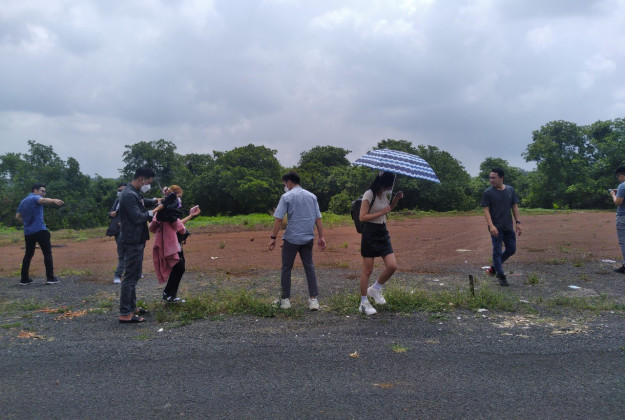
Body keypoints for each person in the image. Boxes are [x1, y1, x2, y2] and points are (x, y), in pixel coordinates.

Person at [269, 171, 326, 310]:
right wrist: (321, 237)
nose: (285, 186)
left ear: (289, 182)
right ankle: (313, 300)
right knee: (309, 267)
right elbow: (318, 218)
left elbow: (278, 219)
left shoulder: (286, 197)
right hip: (308, 238)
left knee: (286, 268)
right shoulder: (312, 196)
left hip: (292, 239)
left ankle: (285, 300)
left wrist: (273, 237)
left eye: (285, 183)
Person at [117, 167, 161, 323]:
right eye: (148, 182)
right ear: (141, 179)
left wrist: (156, 201)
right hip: (132, 240)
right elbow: (137, 216)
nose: (148, 185)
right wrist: (156, 210)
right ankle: (125, 313)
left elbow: (142, 202)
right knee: (130, 277)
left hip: (136, 239)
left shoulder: (134, 192)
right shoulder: (128, 194)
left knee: (134, 275)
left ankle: (131, 307)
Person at [358, 171, 404, 315]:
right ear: (384, 183)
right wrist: (381, 212)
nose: (392, 187)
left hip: (382, 232)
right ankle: (363, 302)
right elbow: (362, 217)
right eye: (391, 184)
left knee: (392, 266)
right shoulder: (369, 194)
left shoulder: (384, 194)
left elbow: (387, 209)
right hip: (370, 233)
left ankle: (375, 289)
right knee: (367, 270)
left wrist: (396, 199)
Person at [149, 185, 201, 303]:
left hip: (163, 243)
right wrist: (185, 231)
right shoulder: (171, 212)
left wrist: (191, 215)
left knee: (177, 268)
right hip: (171, 244)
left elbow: (153, 226)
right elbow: (180, 228)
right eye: (178, 197)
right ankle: (169, 295)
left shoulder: (162, 212)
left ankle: (168, 294)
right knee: (179, 268)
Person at [15, 183, 65, 285]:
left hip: (28, 232)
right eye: (42, 191)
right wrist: (54, 200)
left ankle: (24, 279)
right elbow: (43, 200)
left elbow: (17, 217)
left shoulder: (23, 201)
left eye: (44, 192)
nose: (43, 193)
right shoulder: (35, 198)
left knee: (28, 254)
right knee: (47, 253)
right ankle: (50, 278)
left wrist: (27, 223)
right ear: (35, 191)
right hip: (40, 230)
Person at [481, 167, 522, 287]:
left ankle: (494, 269)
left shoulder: (510, 190)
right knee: (497, 251)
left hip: (508, 226)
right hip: (496, 227)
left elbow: (514, 206)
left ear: (501, 177)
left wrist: (518, 222)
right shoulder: (488, 192)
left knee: (511, 249)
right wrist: (491, 226)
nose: (491, 180)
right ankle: (501, 275)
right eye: (490, 178)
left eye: (493, 178)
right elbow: (486, 209)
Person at [106, 183, 126, 284]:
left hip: (129, 231)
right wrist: (111, 214)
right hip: (119, 231)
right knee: (122, 254)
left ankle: (129, 273)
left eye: (122, 190)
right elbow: (110, 213)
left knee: (131, 253)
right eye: (119, 190)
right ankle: (118, 275)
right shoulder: (117, 201)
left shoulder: (131, 201)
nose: (120, 192)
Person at [609, 166, 625, 273]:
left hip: (623, 217)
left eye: (618, 176)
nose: (619, 179)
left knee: (623, 241)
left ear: (622, 175)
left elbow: (618, 202)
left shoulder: (622, 186)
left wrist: (613, 194)